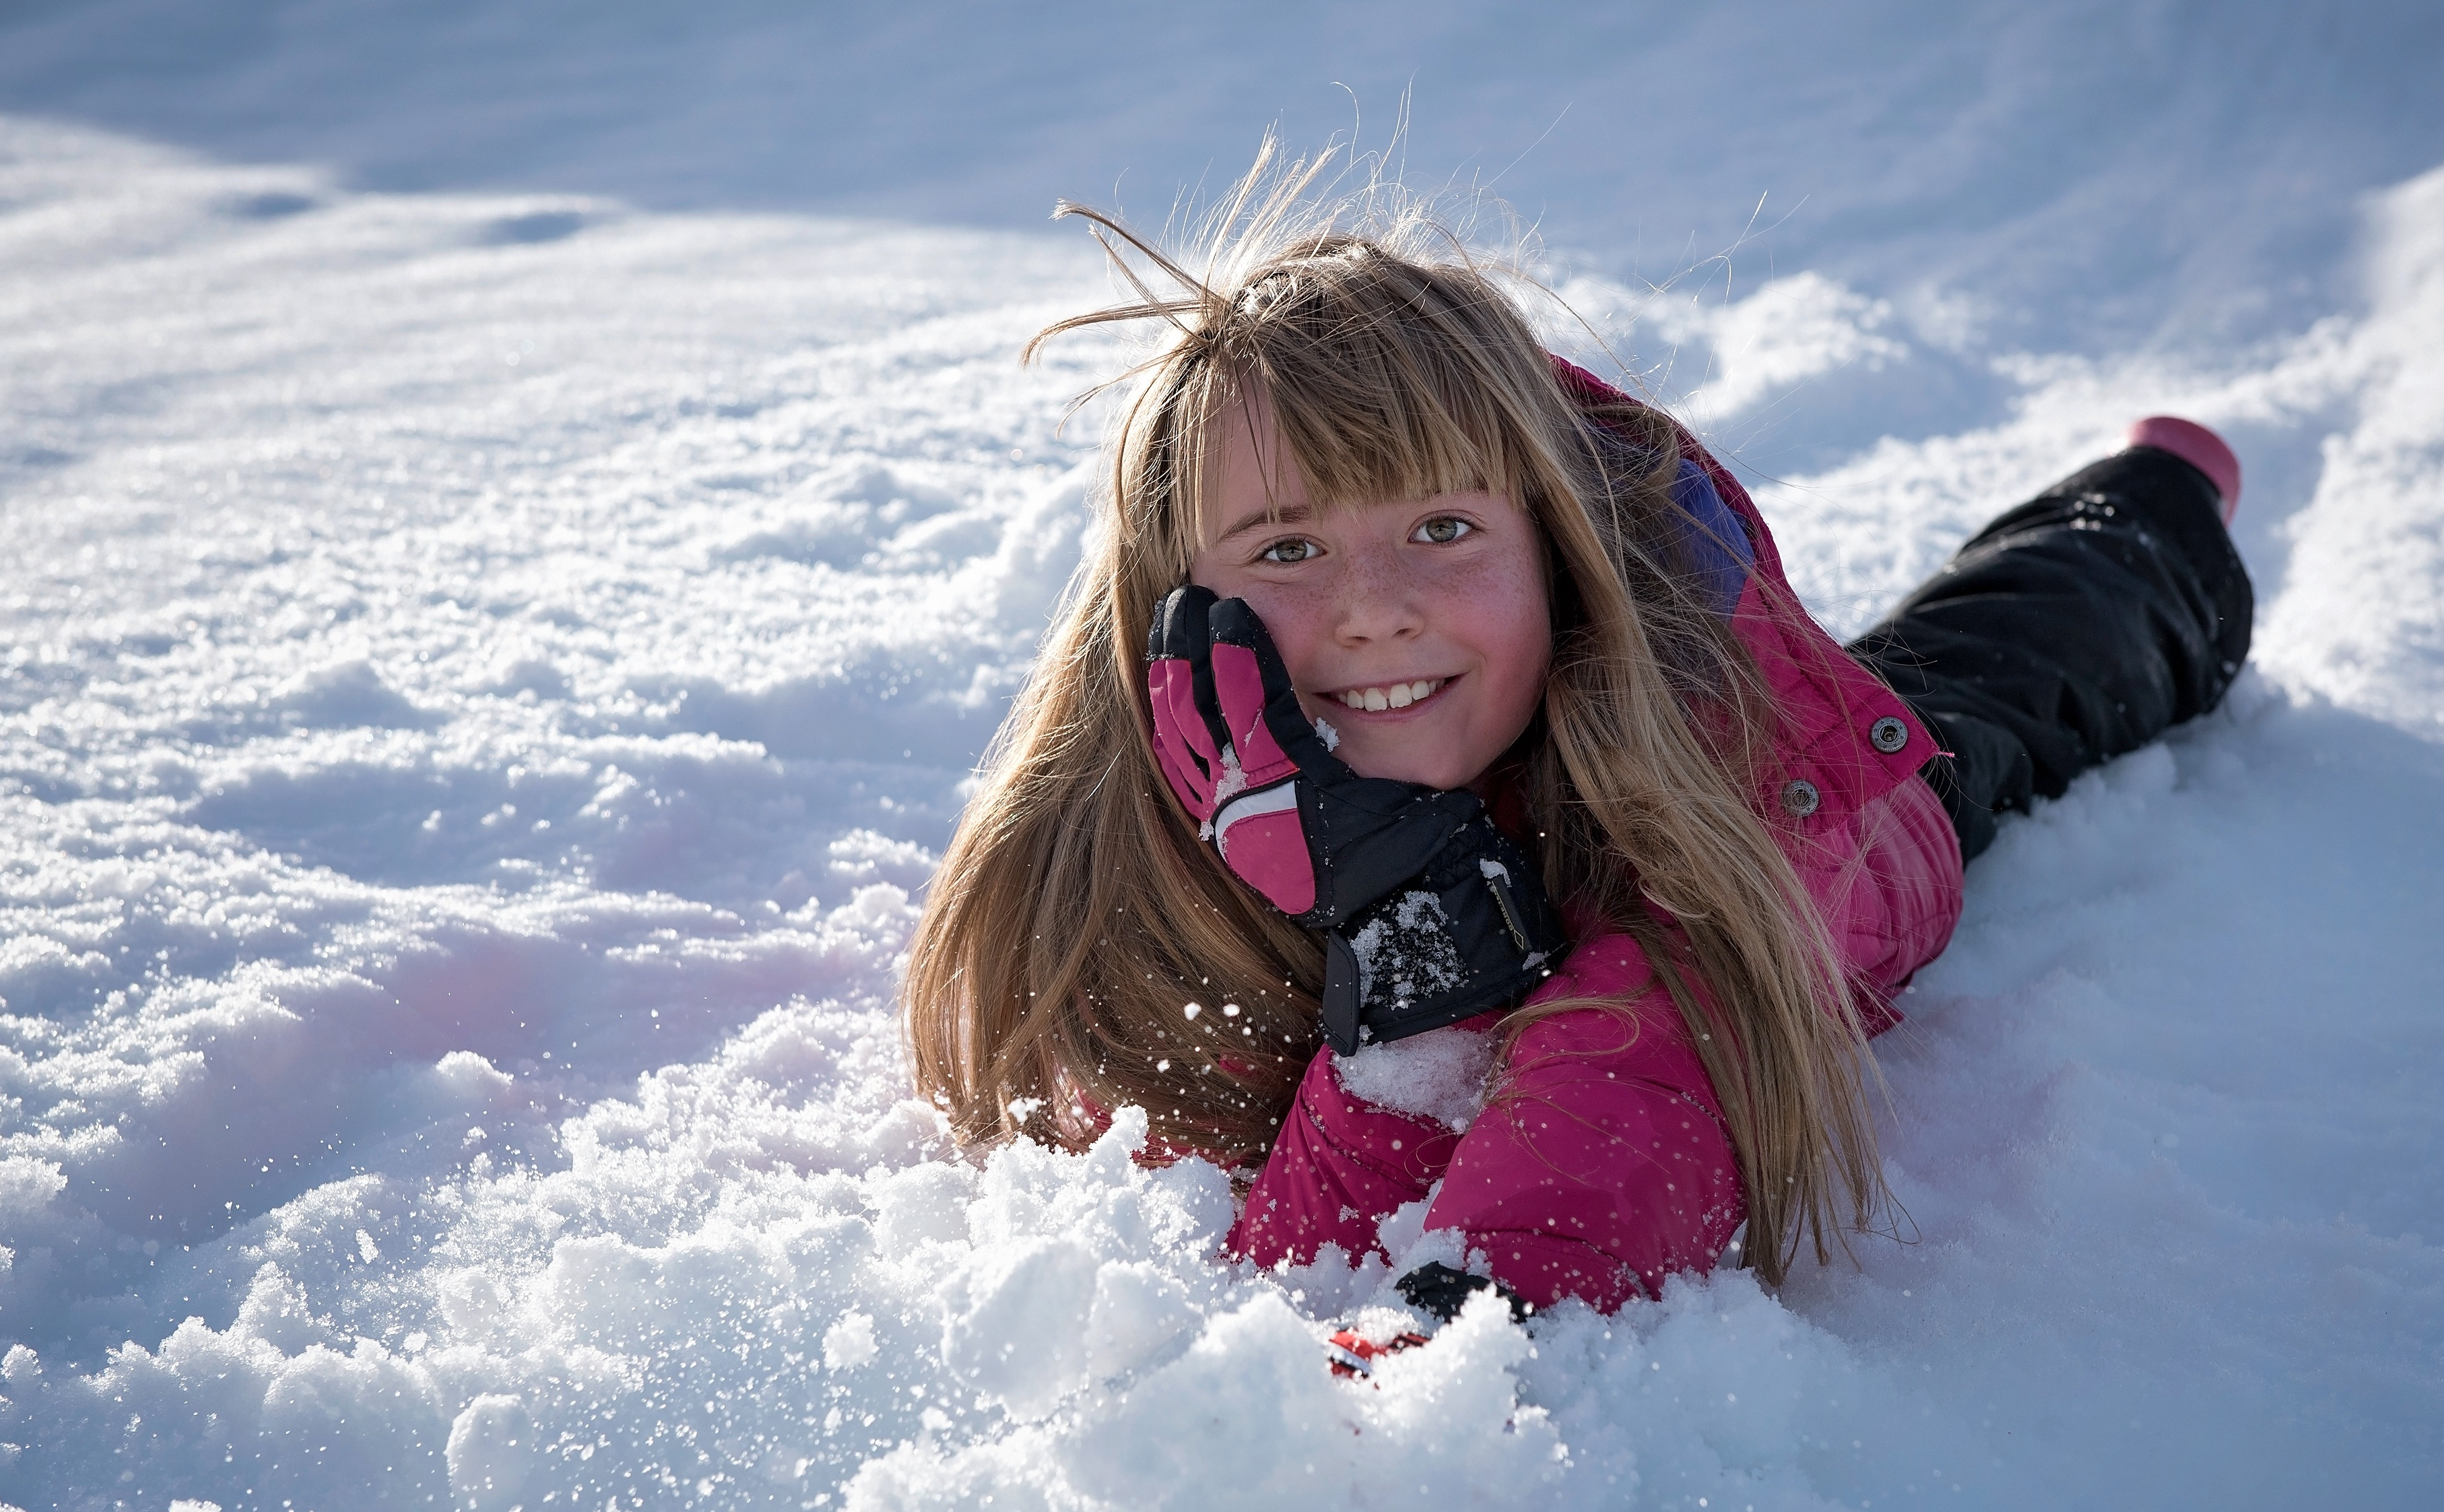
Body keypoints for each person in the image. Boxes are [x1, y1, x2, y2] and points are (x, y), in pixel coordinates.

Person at [904, 158, 2251, 1339]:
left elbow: (1605, 1130)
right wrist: (1407, 961)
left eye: (1441, 530)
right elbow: (1217, 1260)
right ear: (1175, 611)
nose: (1377, 609)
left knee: (1994, 694)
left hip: (1814, 840)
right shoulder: (1108, 825)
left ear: (1554, 556)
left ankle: (2159, 503)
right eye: (1288, 549)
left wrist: (1438, 1330)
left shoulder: (1709, 816)